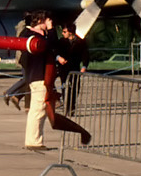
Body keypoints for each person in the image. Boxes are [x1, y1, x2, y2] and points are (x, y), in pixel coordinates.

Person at [22, 10, 91, 150]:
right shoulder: (34, 36)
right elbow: (51, 45)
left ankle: (33, 140)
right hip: (39, 77)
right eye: (46, 21)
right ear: (40, 21)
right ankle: (34, 142)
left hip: (37, 77)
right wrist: (51, 29)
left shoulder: (28, 35)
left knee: (39, 111)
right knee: (39, 111)